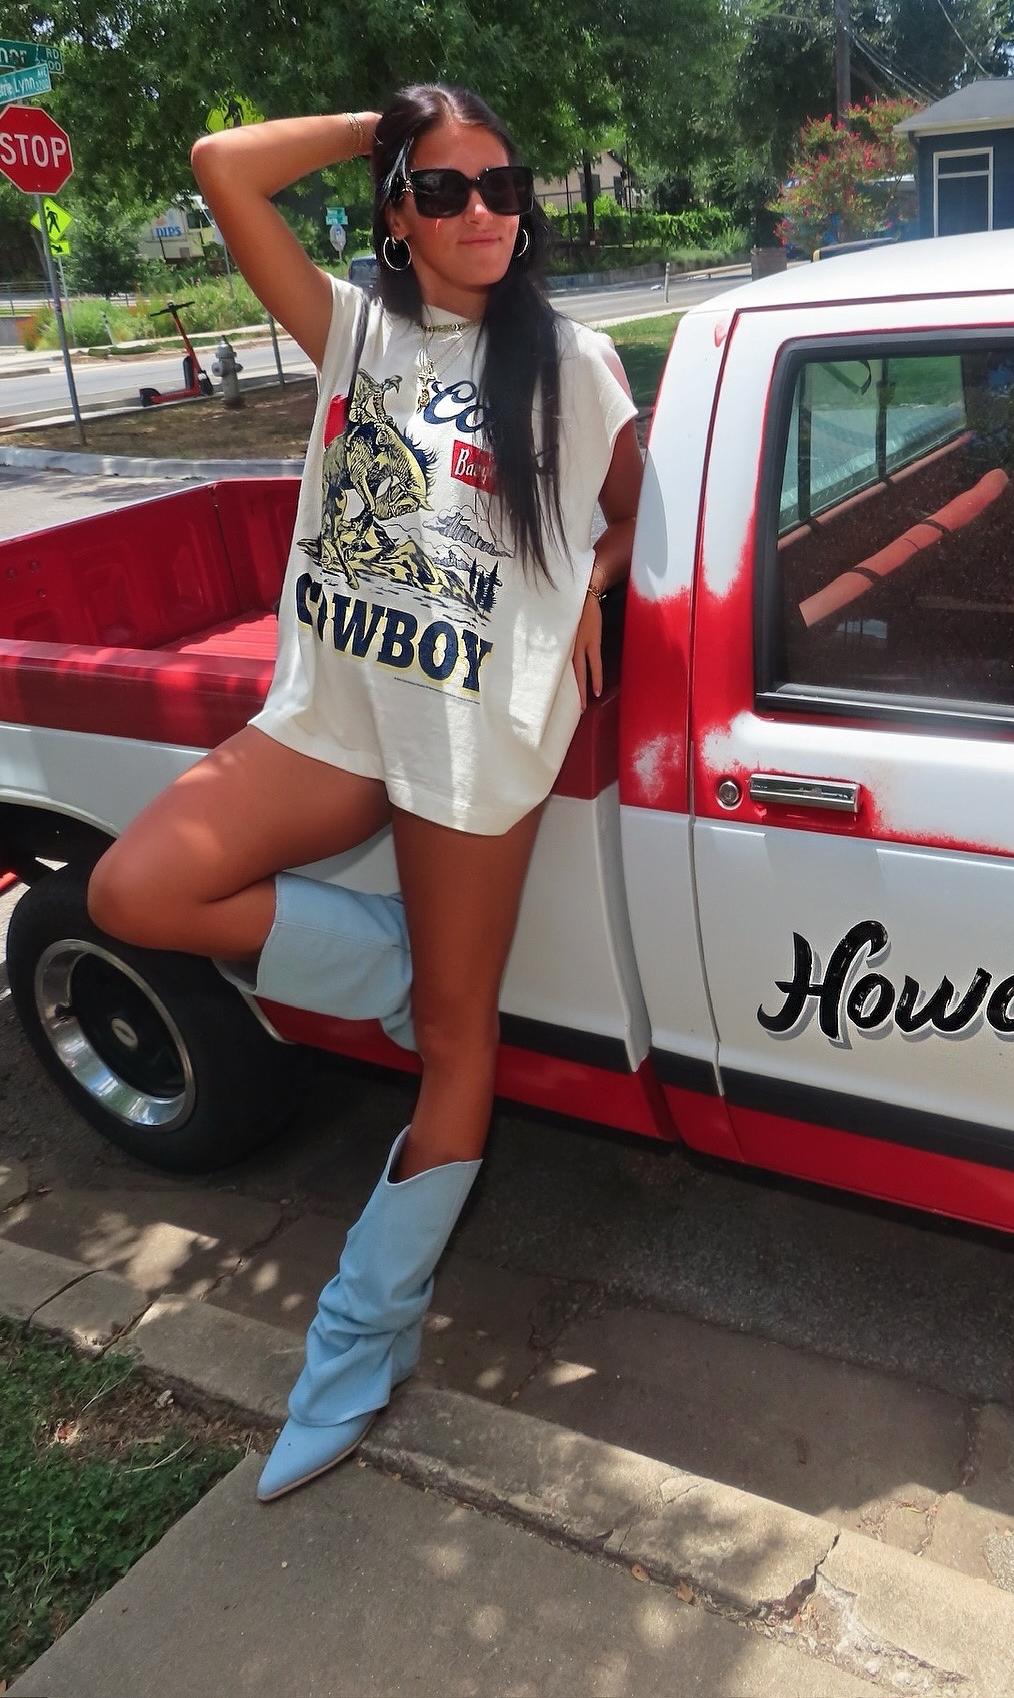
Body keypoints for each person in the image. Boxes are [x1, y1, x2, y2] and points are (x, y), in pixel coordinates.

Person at [87, 85, 642, 1501]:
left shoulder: (569, 361)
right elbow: (218, 165)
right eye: (444, 192)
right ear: (395, 213)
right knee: (135, 889)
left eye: (504, 189)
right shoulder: (356, 328)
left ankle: (358, 1340)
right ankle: (400, 959)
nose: (482, 217)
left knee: (458, 1051)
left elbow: (636, 491)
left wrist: (601, 571)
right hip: (334, 713)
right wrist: (378, 122)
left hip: (474, 732)